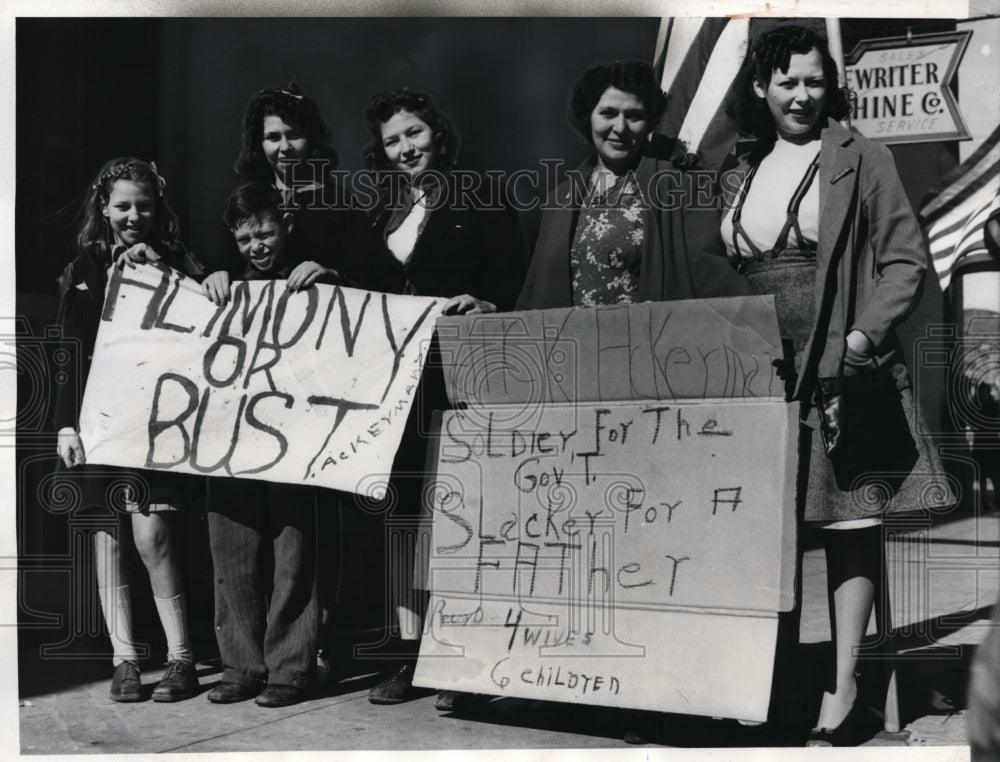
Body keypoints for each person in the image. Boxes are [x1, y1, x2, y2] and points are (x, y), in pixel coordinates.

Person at [721, 24, 953, 746]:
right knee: (763, 532)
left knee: (848, 525)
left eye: (813, 80)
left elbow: (906, 262)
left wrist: (859, 343)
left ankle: (845, 685)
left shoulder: (861, 156)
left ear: (831, 86)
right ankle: (774, 678)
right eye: (786, 81)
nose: (801, 94)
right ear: (760, 88)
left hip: (841, 373)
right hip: (759, 376)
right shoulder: (739, 169)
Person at [359, 87, 528, 706]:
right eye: (393, 142)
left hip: (459, 380)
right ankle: (410, 654)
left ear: (439, 133)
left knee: (462, 513)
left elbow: (514, 277)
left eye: (414, 134)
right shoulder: (382, 212)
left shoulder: (480, 195)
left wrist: (485, 305)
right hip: (395, 387)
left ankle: (465, 659)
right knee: (405, 514)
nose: (406, 149)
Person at [54, 157, 203, 702]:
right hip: (98, 424)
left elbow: (200, 333)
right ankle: (125, 661)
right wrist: (66, 425)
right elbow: (70, 353)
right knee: (108, 540)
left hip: (155, 422)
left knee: (153, 536)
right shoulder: (84, 270)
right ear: (104, 208)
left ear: (157, 207)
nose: (133, 215)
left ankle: (182, 659)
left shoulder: (179, 262)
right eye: (122, 205)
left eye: (143, 204)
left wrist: (161, 271)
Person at [199, 181, 348, 708]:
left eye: (265, 233)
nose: (257, 247)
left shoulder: (315, 278)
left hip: (294, 441)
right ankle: (240, 665)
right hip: (229, 440)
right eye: (244, 239)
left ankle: (291, 667)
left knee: (294, 553)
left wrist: (330, 280)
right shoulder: (219, 286)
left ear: (285, 226)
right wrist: (207, 280)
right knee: (232, 552)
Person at [516, 59, 751, 311]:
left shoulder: (681, 188)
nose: (620, 127)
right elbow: (532, 296)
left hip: (647, 345)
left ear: (650, 121)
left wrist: (762, 325)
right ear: (588, 117)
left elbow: (713, 279)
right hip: (572, 345)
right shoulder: (559, 199)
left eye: (634, 116)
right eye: (608, 113)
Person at [203, 81, 363, 305]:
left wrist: (331, 275)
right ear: (260, 144)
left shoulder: (341, 204)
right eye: (273, 137)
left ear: (311, 140)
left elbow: (369, 282)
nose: (285, 147)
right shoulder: (245, 200)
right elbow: (227, 266)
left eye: (294, 135)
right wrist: (217, 276)